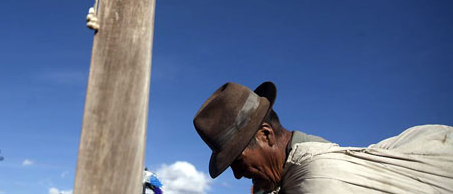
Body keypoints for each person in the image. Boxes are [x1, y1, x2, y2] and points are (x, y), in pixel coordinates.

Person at [193, 81, 453, 194]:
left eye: (237, 160)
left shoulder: (317, 178)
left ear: (265, 135)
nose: (237, 175)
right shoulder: (297, 166)